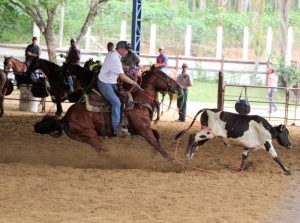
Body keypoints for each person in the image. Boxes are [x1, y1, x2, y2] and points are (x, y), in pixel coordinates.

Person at [97, 40, 142, 137]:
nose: (127, 52)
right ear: (120, 49)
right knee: (116, 102)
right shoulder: (115, 58)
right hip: (104, 83)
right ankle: (116, 128)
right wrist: (135, 83)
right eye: (126, 50)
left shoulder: (114, 54)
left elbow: (120, 68)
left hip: (111, 82)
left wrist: (126, 68)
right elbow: (122, 76)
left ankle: (121, 120)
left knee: (123, 97)